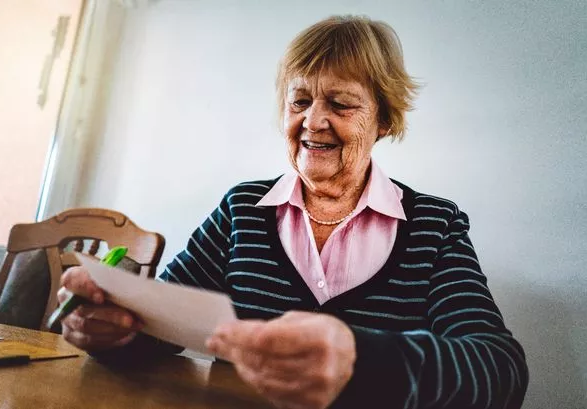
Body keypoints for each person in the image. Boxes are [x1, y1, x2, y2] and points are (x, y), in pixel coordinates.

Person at [58, 15, 528, 409]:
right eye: (300, 101)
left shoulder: (435, 226)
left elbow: (500, 370)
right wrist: (112, 331)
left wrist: (362, 361)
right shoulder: (242, 208)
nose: (313, 121)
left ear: (384, 120)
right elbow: (158, 327)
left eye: (341, 104)